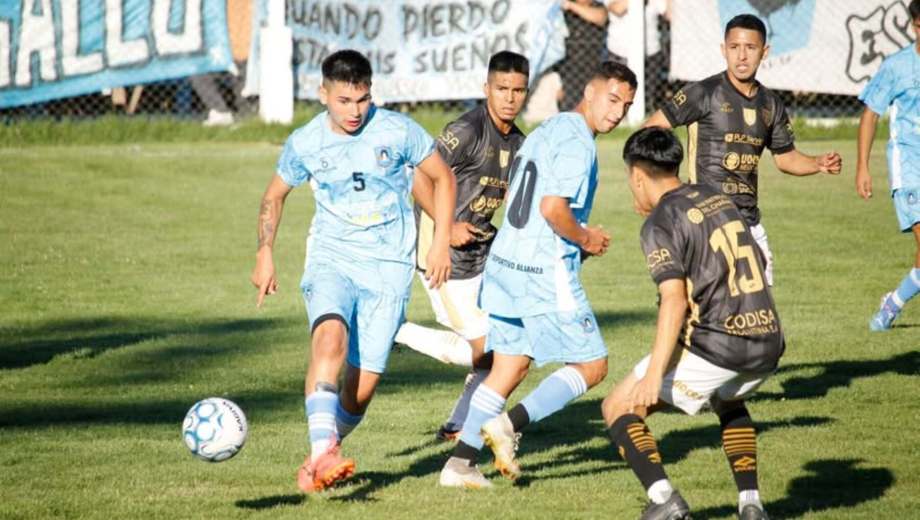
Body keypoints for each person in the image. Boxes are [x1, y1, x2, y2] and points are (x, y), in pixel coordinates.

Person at [250, 49, 456, 493]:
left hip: (388, 267)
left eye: (361, 100)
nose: (354, 111)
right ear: (323, 94)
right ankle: (325, 453)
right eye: (343, 101)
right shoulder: (305, 142)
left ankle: (321, 453)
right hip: (332, 257)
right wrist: (265, 251)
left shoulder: (397, 130)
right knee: (330, 339)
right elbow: (274, 196)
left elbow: (443, 178)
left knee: (359, 392)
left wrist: (439, 242)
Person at [438, 61, 637, 488]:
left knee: (508, 368)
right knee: (592, 364)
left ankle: (459, 465)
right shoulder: (579, 143)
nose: (618, 111)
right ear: (589, 91)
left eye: (627, 105)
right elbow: (552, 209)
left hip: (505, 264)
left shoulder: (549, 128)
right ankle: (507, 425)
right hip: (541, 270)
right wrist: (586, 239)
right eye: (613, 99)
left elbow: (515, 195)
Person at [602, 126, 782, 520]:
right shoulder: (716, 196)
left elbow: (674, 300)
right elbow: (761, 263)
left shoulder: (660, 222)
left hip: (718, 346)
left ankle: (664, 499)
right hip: (769, 339)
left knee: (618, 406)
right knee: (729, 399)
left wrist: (653, 375)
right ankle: (750, 505)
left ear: (636, 175)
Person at [643, 13, 842, 286]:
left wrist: (816, 163)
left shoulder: (770, 104)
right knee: (705, 313)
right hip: (705, 222)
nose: (742, 56)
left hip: (748, 222)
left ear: (765, 52)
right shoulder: (703, 93)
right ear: (724, 50)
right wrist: (662, 183)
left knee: (760, 314)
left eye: (750, 48)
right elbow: (649, 130)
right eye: (735, 47)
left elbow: (786, 159)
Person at [395, 51, 530, 441]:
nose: (510, 97)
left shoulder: (519, 141)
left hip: (483, 255)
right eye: (502, 88)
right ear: (486, 88)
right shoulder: (467, 130)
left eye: (518, 90)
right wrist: (447, 224)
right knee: (487, 352)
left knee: (505, 345)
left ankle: (457, 425)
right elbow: (419, 175)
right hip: (442, 254)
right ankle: (396, 332)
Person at [856, 0, 920, 332]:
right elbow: (870, 113)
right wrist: (863, 167)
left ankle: (893, 302)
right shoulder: (898, 66)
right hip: (909, 167)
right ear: (915, 26)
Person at [606, 0, 672, 111]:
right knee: (618, 96)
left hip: (651, 52)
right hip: (619, 52)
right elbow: (617, 9)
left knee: (648, 98)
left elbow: (669, 14)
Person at [556, 0, 609, 111]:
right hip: (568, 67)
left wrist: (571, 6)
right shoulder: (561, 10)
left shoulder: (597, 6)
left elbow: (600, 17)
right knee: (569, 107)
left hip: (593, 65)